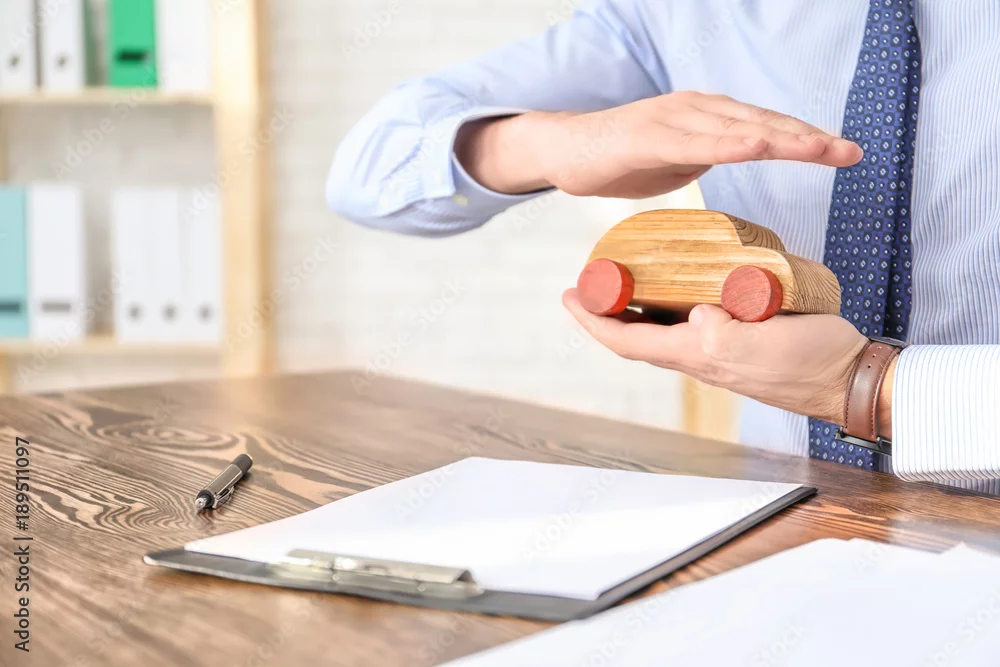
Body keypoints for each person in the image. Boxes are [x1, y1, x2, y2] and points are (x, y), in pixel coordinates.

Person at [326, 0, 1000, 491]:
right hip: (790, 518)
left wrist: (861, 388)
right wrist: (555, 144)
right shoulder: (683, 12)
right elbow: (367, 172)